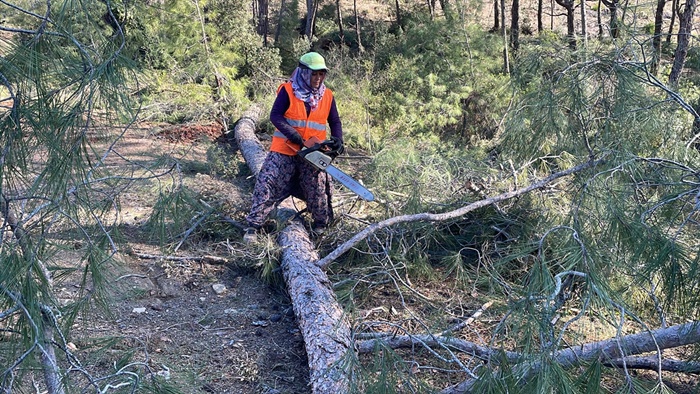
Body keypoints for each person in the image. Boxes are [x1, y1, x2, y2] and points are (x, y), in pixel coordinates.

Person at [244, 52, 344, 243]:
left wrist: (338, 140)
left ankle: (321, 226)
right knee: (268, 182)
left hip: (313, 153)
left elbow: (335, 121)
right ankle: (253, 226)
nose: (317, 78)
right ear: (304, 72)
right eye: (314, 74)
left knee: (318, 186)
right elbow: (276, 116)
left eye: (321, 74)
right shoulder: (289, 91)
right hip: (286, 148)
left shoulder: (327, 95)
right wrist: (297, 137)